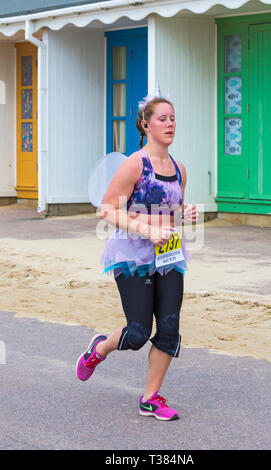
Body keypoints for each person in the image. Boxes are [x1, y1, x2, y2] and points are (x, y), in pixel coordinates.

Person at [76, 96, 198, 421]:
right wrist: (145, 229)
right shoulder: (135, 164)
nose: (170, 123)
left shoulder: (179, 169)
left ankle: (150, 398)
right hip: (133, 256)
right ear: (146, 125)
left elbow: (171, 209)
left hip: (169, 255)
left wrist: (185, 212)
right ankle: (99, 348)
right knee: (138, 333)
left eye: (173, 118)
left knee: (170, 329)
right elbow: (107, 209)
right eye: (162, 118)